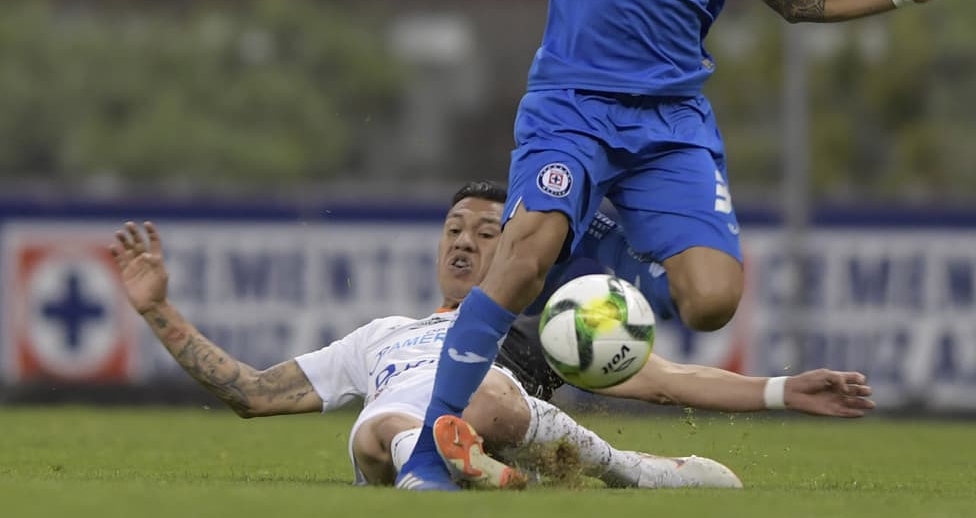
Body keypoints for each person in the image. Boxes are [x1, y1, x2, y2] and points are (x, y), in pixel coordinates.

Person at [400, 0, 975, 489]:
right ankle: (430, 455)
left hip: (672, 122)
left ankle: (593, 255)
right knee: (521, 259)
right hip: (574, 102)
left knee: (712, 300)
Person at [110, 181, 875, 489]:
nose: (465, 241)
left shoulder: (547, 329)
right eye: (453, 228)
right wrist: (155, 311)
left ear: (517, 249)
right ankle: (450, 457)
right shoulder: (381, 334)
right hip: (401, 431)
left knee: (457, 401)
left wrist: (783, 388)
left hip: (511, 412)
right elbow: (251, 392)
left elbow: (671, 379)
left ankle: (629, 470)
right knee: (377, 430)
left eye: (486, 230)